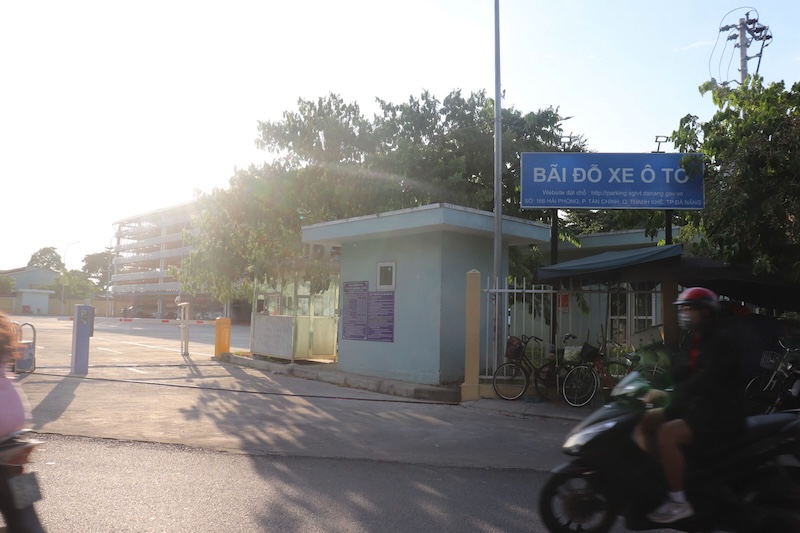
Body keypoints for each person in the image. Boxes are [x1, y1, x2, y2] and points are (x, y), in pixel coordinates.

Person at [635, 287, 747, 524]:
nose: (685, 313)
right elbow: (685, 369)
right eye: (683, 309)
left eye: (690, 309)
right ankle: (663, 477)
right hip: (701, 405)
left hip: (720, 411)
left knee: (666, 434)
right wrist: (651, 381)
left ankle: (678, 501)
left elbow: (706, 379)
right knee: (646, 421)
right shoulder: (698, 338)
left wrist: (671, 394)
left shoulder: (720, 340)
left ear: (706, 313)